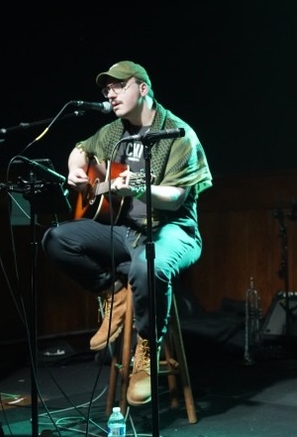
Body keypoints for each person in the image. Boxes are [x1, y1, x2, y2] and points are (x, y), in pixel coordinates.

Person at [42, 60, 212, 406]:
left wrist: (136, 190)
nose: (111, 93)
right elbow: (81, 149)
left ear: (143, 89)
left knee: (148, 266)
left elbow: (177, 198)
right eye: (107, 89)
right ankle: (113, 293)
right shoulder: (113, 132)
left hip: (173, 229)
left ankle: (146, 349)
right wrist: (76, 171)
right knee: (57, 239)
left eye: (119, 86)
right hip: (124, 230)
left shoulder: (178, 133)